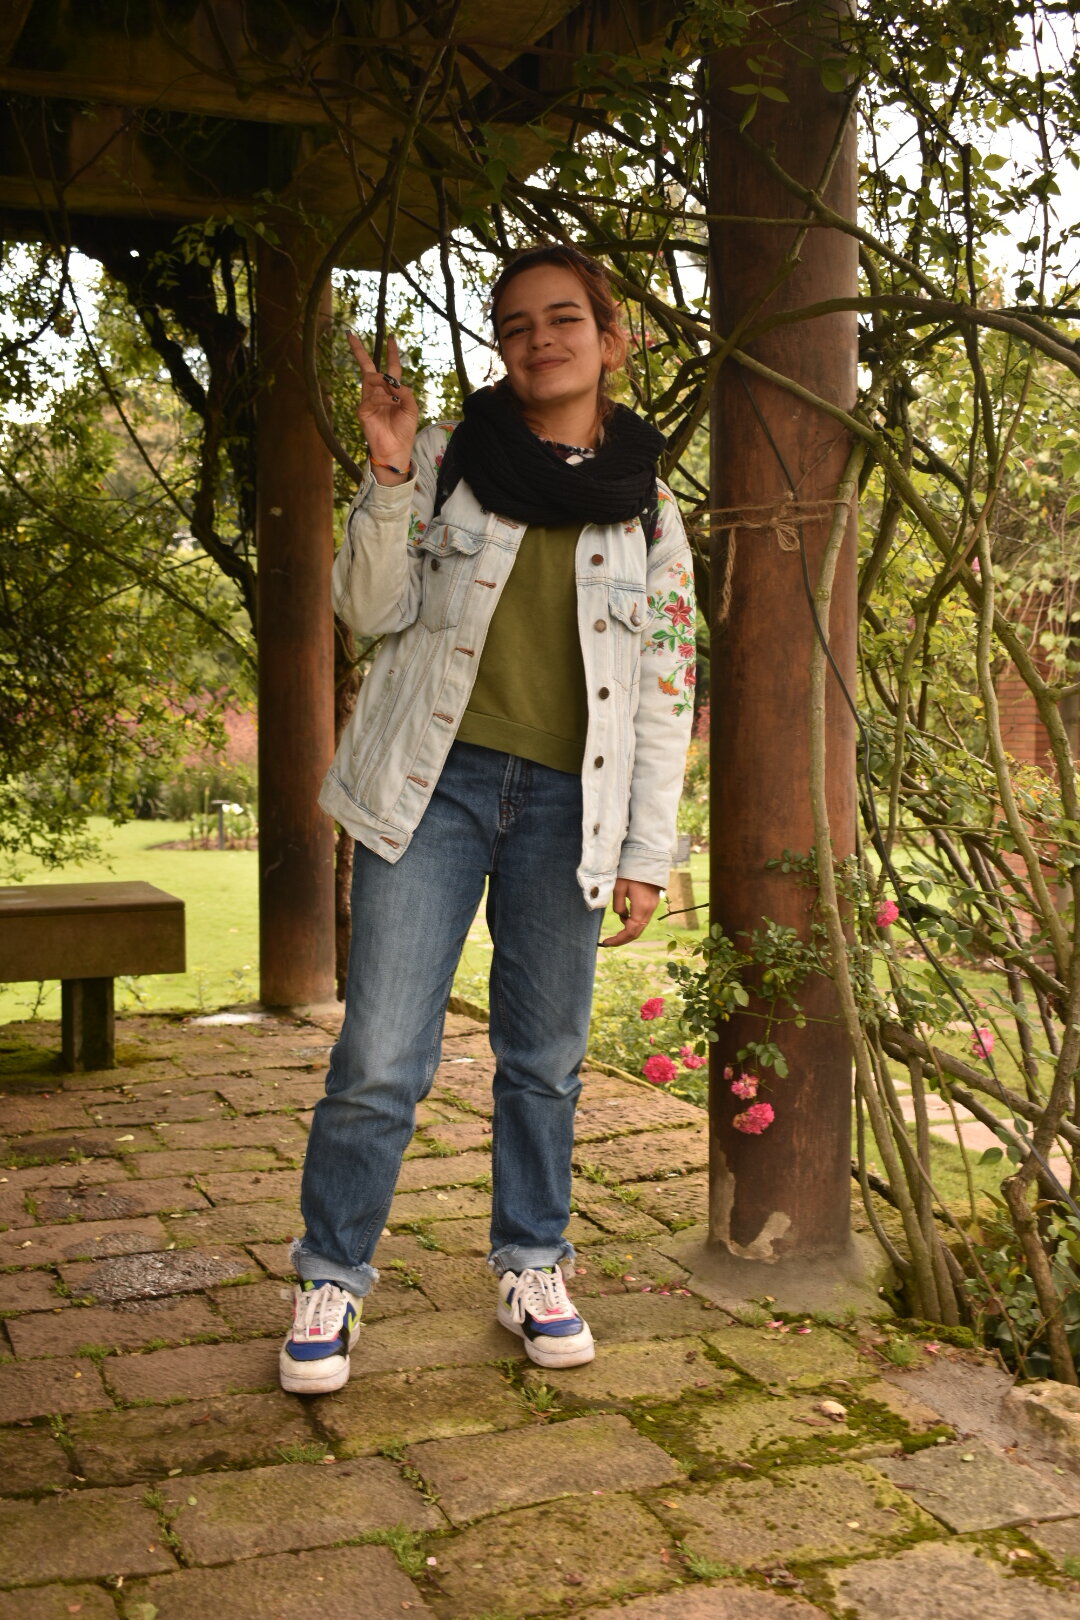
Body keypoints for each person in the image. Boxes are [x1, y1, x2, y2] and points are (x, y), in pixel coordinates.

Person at [280, 243, 696, 1395]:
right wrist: (388, 469)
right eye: (516, 324)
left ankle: (533, 1261)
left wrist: (646, 851)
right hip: (435, 789)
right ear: (502, 349)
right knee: (380, 1054)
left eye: (564, 318)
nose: (540, 339)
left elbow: (667, 689)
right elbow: (368, 611)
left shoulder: (649, 509)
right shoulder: (452, 462)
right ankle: (331, 1276)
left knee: (546, 1060)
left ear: (612, 340)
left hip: (572, 808)